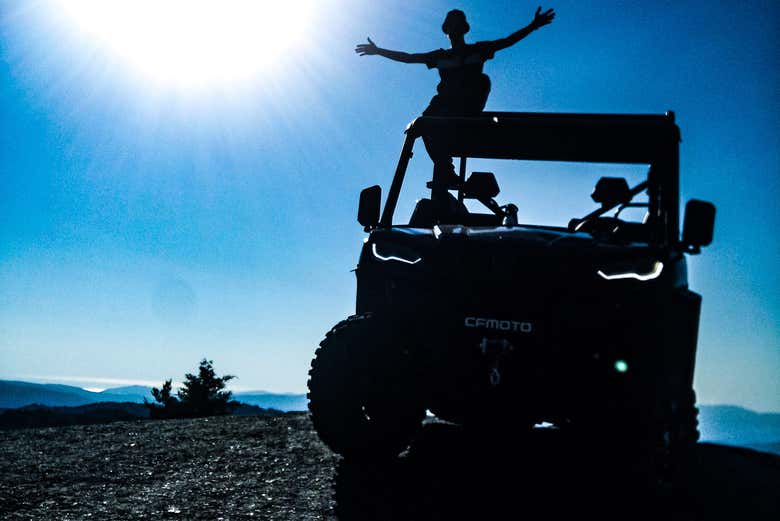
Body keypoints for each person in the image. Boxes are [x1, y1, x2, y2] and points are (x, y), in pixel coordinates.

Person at [355, 7, 555, 212]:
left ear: (464, 28)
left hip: (467, 106)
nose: (454, 28)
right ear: (446, 30)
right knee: (422, 124)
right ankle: (445, 169)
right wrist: (378, 51)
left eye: (458, 24)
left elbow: (507, 41)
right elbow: (409, 57)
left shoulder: (478, 50)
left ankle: (446, 165)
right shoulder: (440, 56)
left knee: (482, 80)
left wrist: (533, 26)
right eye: (451, 24)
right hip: (444, 106)